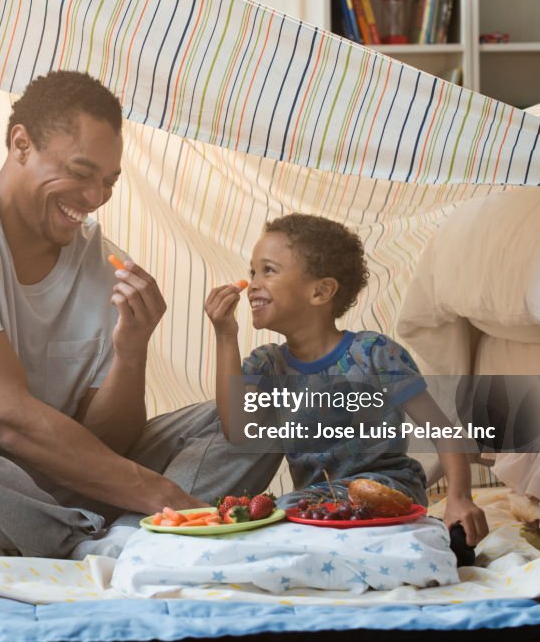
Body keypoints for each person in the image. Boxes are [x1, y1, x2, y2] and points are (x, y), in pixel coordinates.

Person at [0, 70, 280, 558]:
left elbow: (106, 443)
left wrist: (131, 353)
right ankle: (113, 543)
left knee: (260, 412)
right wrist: (162, 494)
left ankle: (120, 537)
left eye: (108, 182)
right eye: (81, 173)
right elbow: (6, 416)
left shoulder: (104, 266)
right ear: (21, 144)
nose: (95, 198)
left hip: (44, 482)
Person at [204, 213, 490, 546]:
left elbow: (443, 430)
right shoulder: (265, 365)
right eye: (252, 272)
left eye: (268, 270)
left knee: (280, 515)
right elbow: (237, 430)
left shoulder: (373, 353)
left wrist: (459, 497)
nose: (252, 284)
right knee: (271, 515)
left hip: (387, 488)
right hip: (317, 501)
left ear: (321, 291)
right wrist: (225, 335)